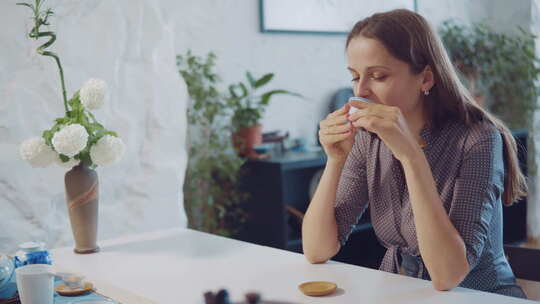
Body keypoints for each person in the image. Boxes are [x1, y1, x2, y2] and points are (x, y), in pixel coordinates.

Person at [302, 9, 528, 298]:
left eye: (378, 76)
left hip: (478, 295)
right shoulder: (367, 141)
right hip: (402, 291)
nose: (361, 91)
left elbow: (448, 276)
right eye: (355, 77)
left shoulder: (479, 140)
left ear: (425, 79)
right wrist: (335, 160)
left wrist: (411, 156)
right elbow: (317, 250)